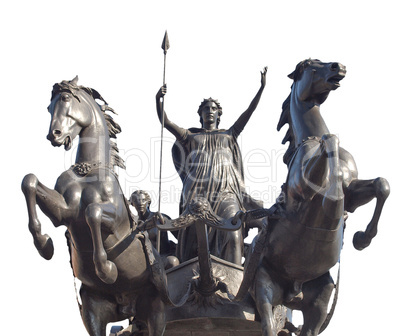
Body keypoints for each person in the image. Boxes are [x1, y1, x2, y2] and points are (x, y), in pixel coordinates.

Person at [155, 67, 267, 265]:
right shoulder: (190, 136)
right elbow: (166, 122)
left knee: (233, 232)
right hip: (196, 193)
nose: (209, 112)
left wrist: (261, 88)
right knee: (192, 242)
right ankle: (189, 278)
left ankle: (233, 279)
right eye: (206, 109)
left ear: (219, 114)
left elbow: (248, 113)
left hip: (226, 192)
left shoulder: (229, 134)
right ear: (200, 114)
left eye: (213, 109)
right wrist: (158, 100)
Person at [129, 190, 179, 269]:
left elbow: (179, 235)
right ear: (132, 204)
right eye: (136, 201)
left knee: (172, 261)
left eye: (143, 200)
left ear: (148, 202)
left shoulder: (160, 218)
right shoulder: (133, 225)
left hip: (163, 256)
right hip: (144, 263)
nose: (140, 203)